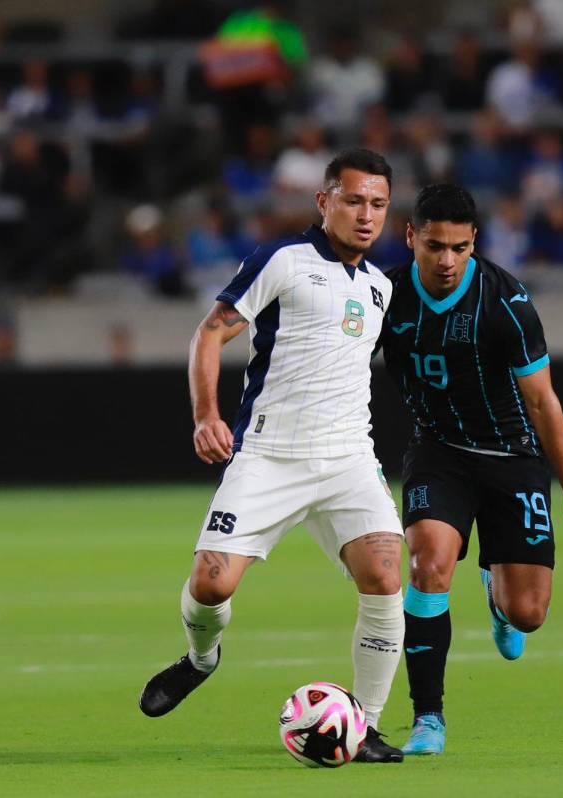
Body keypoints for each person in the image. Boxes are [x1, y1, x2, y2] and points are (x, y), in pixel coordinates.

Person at [138, 150, 406, 763]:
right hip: (269, 454)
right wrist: (206, 415)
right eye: (354, 201)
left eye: (378, 204)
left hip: (347, 459)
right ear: (325, 201)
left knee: (386, 577)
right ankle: (202, 658)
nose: (367, 215)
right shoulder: (284, 260)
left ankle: (364, 726)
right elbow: (211, 332)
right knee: (211, 584)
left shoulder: (381, 286)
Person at [377, 183, 563, 756]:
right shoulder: (385, 296)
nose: (447, 260)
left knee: (528, 615)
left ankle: (497, 593)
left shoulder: (506, 301)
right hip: (438, 452)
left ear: (474, 242)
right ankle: (428, 718)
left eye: (459, 248)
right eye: (435, 246)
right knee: (428, 564)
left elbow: (542, 401)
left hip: (512, 457)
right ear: (411, 238)